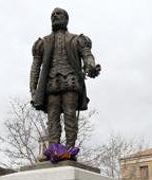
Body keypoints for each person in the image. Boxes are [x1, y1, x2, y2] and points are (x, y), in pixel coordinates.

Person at [30, 7, 100, 151]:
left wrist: (90, 66)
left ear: (66, 19)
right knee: (52, 118)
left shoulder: (77, 40)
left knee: (70, 115)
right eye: (53, 15)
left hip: (71, 82)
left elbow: (87, 55)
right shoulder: (43, 43)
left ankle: (69, 149)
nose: (55, 16)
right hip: (50, 84)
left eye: (58, 14)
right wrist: (33, 89)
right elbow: (35, 67)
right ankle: (54, 148)